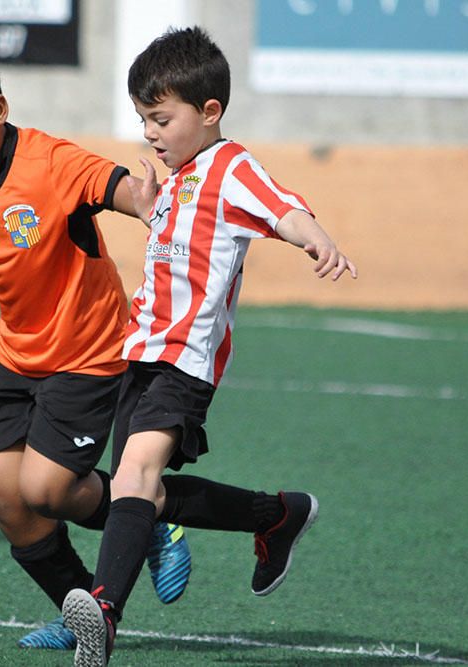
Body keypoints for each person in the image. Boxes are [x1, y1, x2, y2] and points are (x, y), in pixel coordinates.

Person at [61, 26, 358, 665]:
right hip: (138, 355)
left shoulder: (229, 166)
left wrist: (317, 238)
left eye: (161, 119)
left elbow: (283, 207)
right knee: (141, 493)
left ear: (209, 112)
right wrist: (148, 208)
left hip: (185, 360)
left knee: (136, 474)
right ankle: (276, 515)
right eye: (144, 119)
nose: (149, 133)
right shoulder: (174, 178)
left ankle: (104, 612)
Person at [0, 40, 191, 650]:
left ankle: (148, 516)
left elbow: (108, 184)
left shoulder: (50, 161)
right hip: (16, 356)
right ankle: (81, 609)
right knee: (3, 493)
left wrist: (138, 201)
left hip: (88, 351)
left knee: (46, 489)